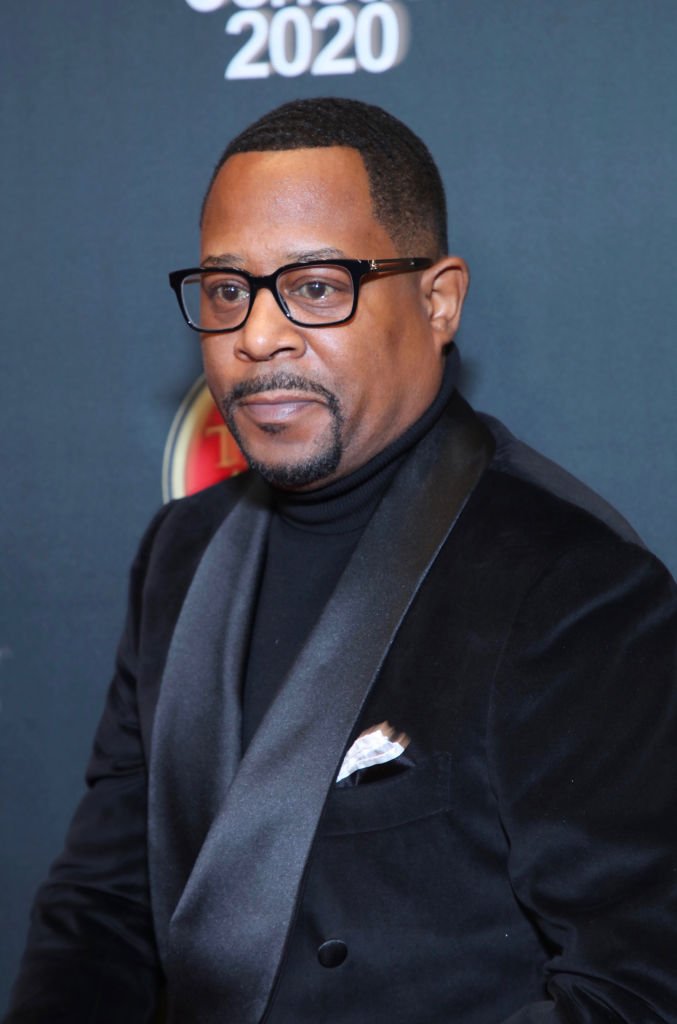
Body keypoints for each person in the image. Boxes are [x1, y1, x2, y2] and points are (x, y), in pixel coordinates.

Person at [5, 98, 677, 1024]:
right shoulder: (179, 553)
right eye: (226, 290)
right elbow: (104, 907)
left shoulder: (572, 585)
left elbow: (630, 990)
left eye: (317, 286)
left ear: (437, 300)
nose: (257, 336)